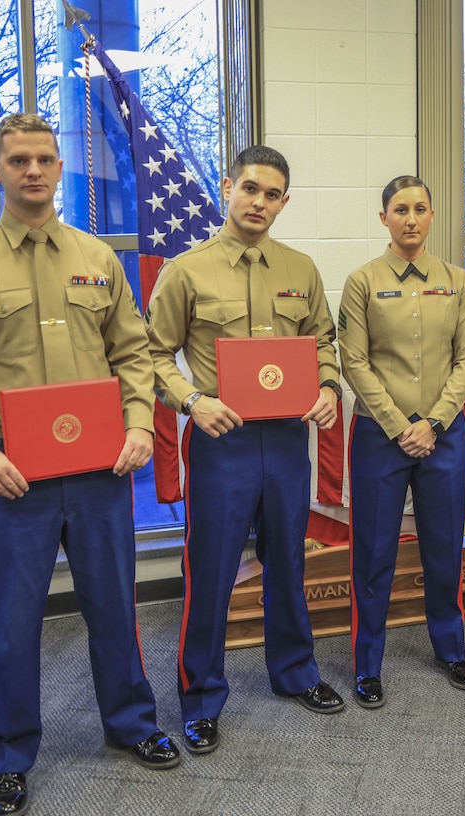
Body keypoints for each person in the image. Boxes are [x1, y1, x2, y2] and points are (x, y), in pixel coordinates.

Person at [0, 112, 180, 816]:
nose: (33, 170)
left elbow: (132, 352)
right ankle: (5, 756)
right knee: (10, 621)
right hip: (11, 472)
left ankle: (132, 725)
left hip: (100, 468)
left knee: (114, 606)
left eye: (45, 159)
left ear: (62, 169)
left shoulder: (96, 257)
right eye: (18, 159)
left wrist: (137, 426)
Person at [145, 145, 345, 755]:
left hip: (287, 442)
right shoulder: (187, 270)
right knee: (211, 572)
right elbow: (150, 355)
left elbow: (323, 342)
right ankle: (201, 698)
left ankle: (295, 672)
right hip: (221, 442)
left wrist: (331, 386)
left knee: (288, 559)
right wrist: (190, 402)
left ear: (285, 202)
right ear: (228, 187)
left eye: (272, 194)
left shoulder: (300, 269)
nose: (259, 202)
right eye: (250, 189)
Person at [337, 175, 465, 708]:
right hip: (381, 437)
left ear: (432, 215)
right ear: (384, 218)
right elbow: (353, 361)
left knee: (444, 548)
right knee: (373, 554)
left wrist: (436, 422)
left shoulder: (457, 281)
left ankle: (450, 649)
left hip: (443, 436)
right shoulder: (362, 282)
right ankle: (367, 664)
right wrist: (401, 426)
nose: (412, 218)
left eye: (421, 208)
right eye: (400, 209)